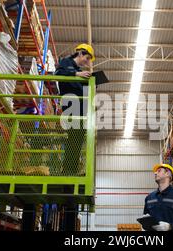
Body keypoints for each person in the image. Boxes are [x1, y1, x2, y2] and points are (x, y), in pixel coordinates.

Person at [54, 44, 95, 231]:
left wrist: (92, 81)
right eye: (87, 58)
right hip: (71, 107)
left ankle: (69, 170)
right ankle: (67, 172)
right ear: (80, 53)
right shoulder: (66, 62)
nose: (87, 62)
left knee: (76, 141)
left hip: (80, 109)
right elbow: (57, 75)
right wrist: (79, 76)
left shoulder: (79, 70)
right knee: (74, 139)